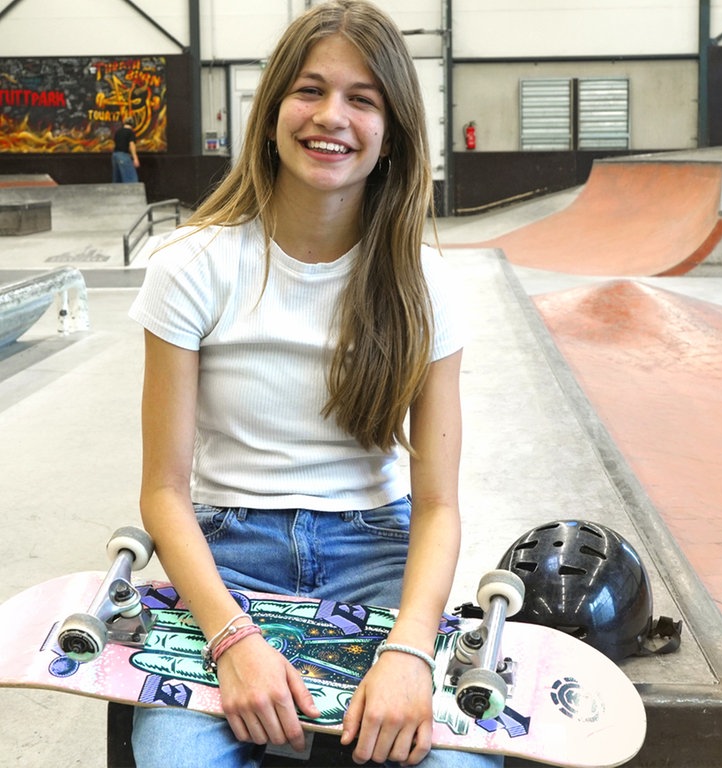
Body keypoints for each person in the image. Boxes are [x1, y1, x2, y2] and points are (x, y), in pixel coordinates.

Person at [128, 2, 501, 766]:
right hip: (228, 557)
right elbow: (163, 491)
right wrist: (231, 637)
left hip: (378, 556)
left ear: (391, 132)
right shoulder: (191, 267)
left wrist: (409, 651)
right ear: (270, 112)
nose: (332, 116)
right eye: (310, 90)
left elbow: (437, 505)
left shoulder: (425, 284)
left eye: (363, 99)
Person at [112, 116, 140, 182]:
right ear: (133, 124)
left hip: (115, 155)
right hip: (123, 155)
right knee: (131, 179)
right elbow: (132, 145)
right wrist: (135, 158)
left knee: (117, 180)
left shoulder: (118, 132)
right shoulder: (130, 132)